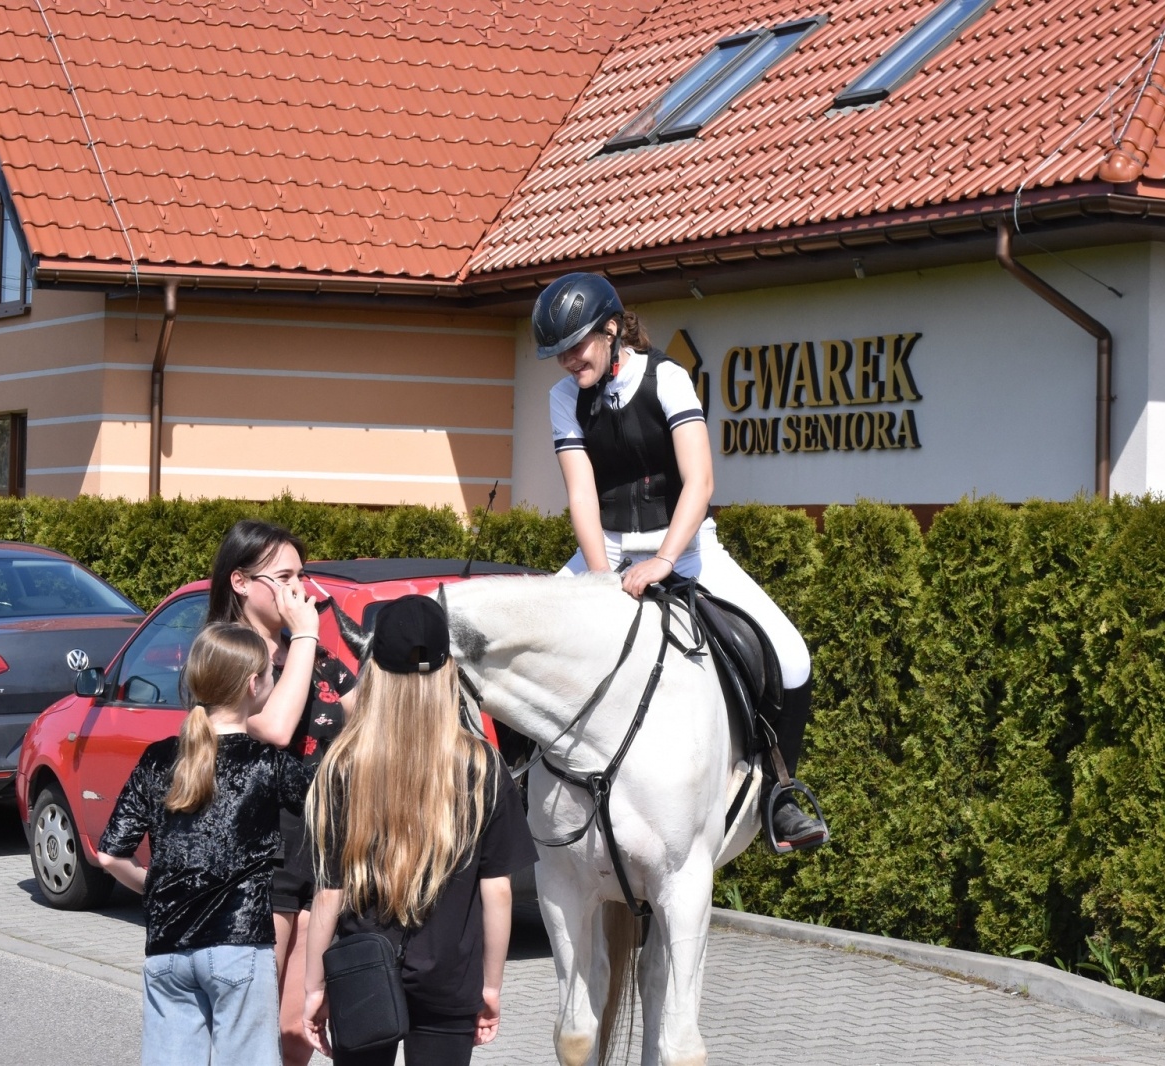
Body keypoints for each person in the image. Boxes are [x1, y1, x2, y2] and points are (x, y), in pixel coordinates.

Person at [534, 272, 829, 852]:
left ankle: (780, 795)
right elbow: (582, 495)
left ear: (612, 329)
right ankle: (518, 793)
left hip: (688, 550)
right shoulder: (563, 398)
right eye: (559, 352)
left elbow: (701, 480)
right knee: (529, 647)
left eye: (577, 344)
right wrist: (601, 577)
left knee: (792, 657)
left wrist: (668, 558)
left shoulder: (668, 379)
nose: (568, 360)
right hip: (609, 551)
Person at [302, 595, 536, 1066]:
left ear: (376, 672)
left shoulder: (342, 766)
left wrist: (314, 986)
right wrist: (490, 986)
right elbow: (498, 891)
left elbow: (329, 893)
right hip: (451, 977)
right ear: (447, 669)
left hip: (361, 971)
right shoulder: (481, 766)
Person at [97, 623, 307, 1066]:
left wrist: (155, 888)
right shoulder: (267, 762)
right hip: (240, 943)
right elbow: (333, 809)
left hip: (167, 948)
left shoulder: (158, 758)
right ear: (254, 684)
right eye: (272, 672)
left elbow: (110, 854)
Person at [206, 519, 358, 1065]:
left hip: (317, 848)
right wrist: (307, 635)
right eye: (286, 576)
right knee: (248, 1023)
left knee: (297, 1030)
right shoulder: (226, 653)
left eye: (303, 575)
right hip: (256, 852)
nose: (302, 591)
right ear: (242, 582)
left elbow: (367, 712)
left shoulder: (310, 655)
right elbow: (271, 726)